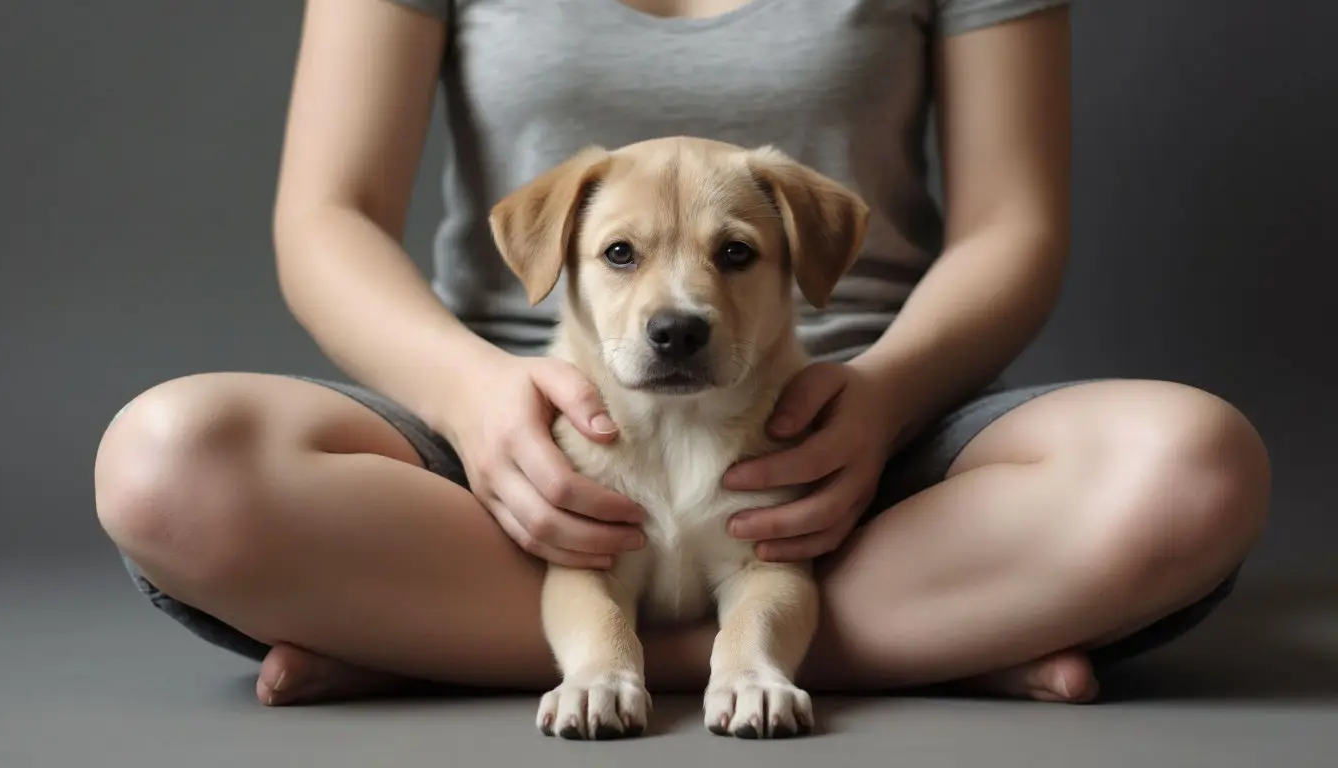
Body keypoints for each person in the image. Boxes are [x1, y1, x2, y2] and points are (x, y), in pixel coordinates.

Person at [93, 0, 1270, 708]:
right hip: (518, 445)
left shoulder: (864, 406)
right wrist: (469, 396)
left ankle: (448, 650)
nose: (678, 301)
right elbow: (325, 215)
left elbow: (1014, 224)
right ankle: (893, 649)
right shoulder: (495, 403)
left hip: (846, 438)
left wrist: (882, 399)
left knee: (1193, 466)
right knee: (167, 462)